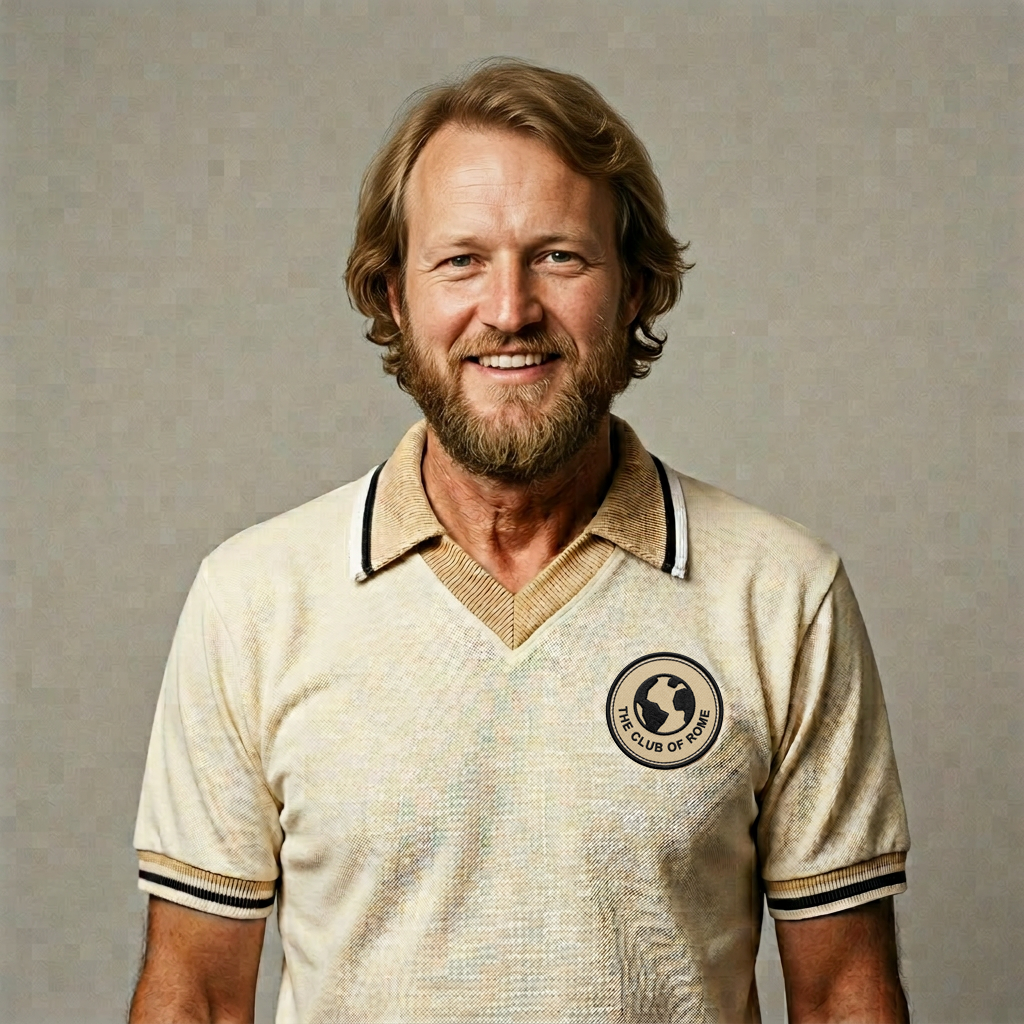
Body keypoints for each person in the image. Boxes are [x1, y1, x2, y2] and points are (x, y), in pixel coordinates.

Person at [129, 58, 910, 1023]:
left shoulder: (783, 595)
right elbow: (197, 997)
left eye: (559, 257)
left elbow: (842, 995)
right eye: (461, 260)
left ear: (635, 289)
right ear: (393, 295)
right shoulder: (252, 600)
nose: (508, 310)